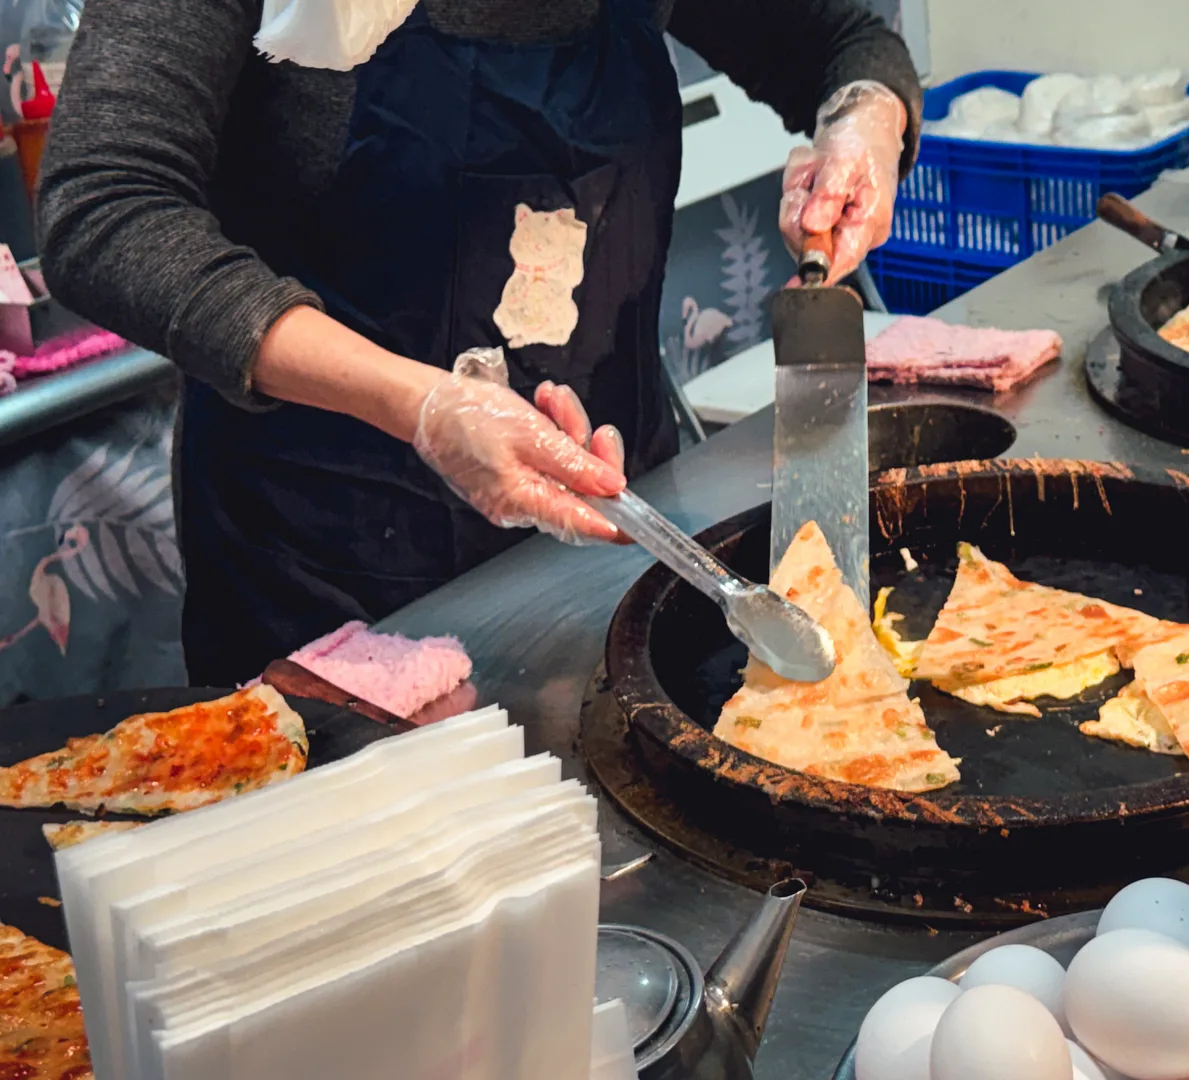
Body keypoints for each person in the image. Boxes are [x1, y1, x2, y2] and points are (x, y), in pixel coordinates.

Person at [35, 0, 920, 686]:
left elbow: (839, 44)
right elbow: (105, 204)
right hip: (326, 573)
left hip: (613, 532)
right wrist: (420, 402)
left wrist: (866, 121)